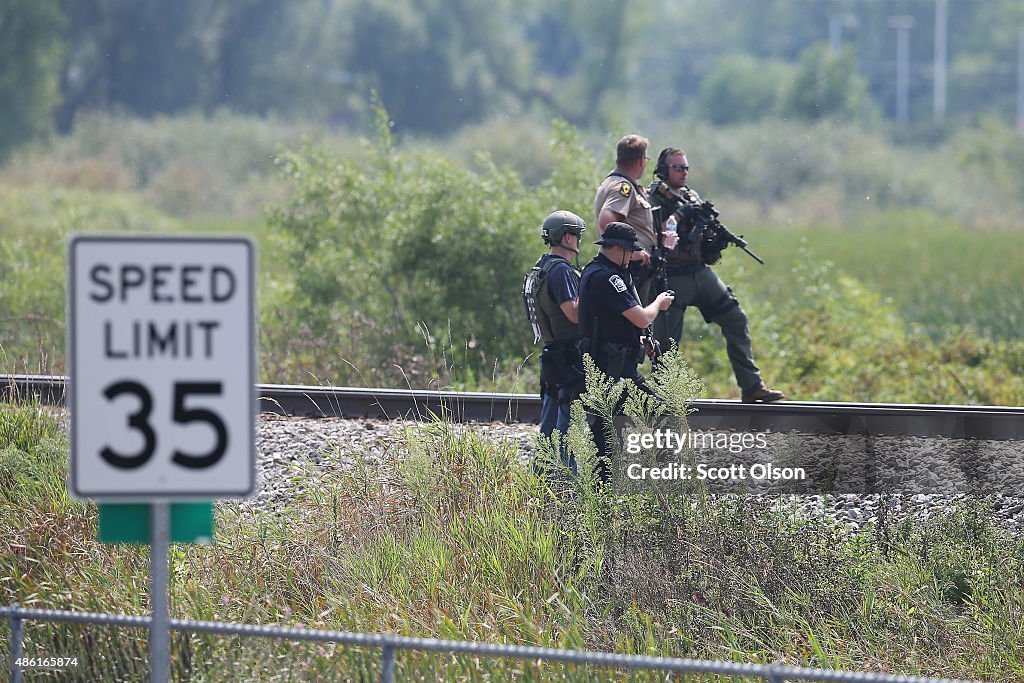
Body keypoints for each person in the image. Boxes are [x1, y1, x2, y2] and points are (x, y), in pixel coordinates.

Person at [647, 147, 784, 403]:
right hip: (671, 276)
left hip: (699, 272)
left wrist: (713, 239)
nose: (684, 172)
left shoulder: (690, 195)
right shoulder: (653, 198)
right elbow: (657, 232)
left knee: (735, 319)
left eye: (686, 167)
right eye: (678, 168)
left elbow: (699, 236)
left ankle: (752, 386)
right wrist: (680, 214)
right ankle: (664, 397)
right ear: (664, 170)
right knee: (666, 342)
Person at [578, 222, 675, 479]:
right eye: (630, 252)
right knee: (660, 415)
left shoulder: (595, 271)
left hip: (611, 367)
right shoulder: (608, 277)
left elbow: (614, 321)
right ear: (620, 249)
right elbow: (642, 318)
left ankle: (605, 497)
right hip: (613, 371)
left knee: (609, 437)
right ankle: (649, 477)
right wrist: (659, 303)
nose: (632, 257)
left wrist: (639, 340)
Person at [522, 210, 587, 472]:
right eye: (578, 235)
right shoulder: (561, 271)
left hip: (552, 353)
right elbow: (572, 312)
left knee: (549, 426)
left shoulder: (542, 267)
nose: (579, 241)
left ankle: (539, 478)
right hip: (569, 354)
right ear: (568, 237)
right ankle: (569, 483)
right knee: (567, 424)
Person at [593, 134, 672, 306]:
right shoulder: (624, 188)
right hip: (632, 268)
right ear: (641, 161)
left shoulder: (612, 183)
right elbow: (605, 221)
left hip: (630, 267)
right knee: (636, 324)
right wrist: (631, 252)